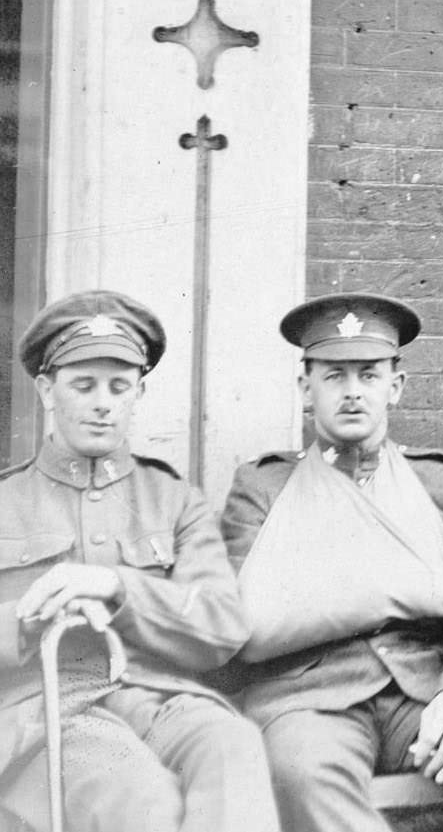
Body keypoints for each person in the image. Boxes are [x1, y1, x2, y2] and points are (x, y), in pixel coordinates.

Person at [222, 293, 443, 832]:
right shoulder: (263, 488)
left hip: (426, 688)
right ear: (305, 389)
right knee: (303, 774)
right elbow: (238, 621)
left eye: (369, 375)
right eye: (334, 375)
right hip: (311, 699)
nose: (353, 391)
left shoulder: (439, 482)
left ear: (396, 387)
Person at [0, 290, 277, 832]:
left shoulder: (173, 499)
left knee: (233, 745)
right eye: (84, 385)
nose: (103, 402)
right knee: (139, 799)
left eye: (119, 386)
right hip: (45, 712)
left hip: (157, 695)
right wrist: (30, 618)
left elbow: (222, 625)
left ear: (138, 393)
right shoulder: (6, 503)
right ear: (46, 389)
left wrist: (114, 586)